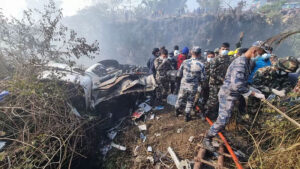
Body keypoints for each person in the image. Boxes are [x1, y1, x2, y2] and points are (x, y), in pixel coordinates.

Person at [203, 46, 267, 152]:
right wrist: (254, 93)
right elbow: (237, 85)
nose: (259, 57)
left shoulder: (246, 62)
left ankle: (223, 133)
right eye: (259, 55)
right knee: (223, 119)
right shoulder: (241, 63)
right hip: (228, 95)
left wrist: (254, 90)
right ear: (254, 51)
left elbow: (243, 82)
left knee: (231, 117)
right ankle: (207, 138)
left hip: (233, 94)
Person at [175, 46, 206, 122]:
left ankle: (176, 111)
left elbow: (179, 74)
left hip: (184, 84)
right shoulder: (201, 65)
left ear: (191, 53)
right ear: (199, 54)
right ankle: (187, 116)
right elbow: (203, 78)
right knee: (190, 100)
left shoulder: (185, 62)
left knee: (180, 97)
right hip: (193, 85)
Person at [204, 43, 232, 120]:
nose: (225, 51)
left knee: (222, 101)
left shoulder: (230, 59)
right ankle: (205, 112)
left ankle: (216, 115)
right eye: (223, 49)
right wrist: (221, 79)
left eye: (226, 49)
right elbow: (212, 72)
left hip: (225, 84)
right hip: (215, 84)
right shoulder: (215, 60)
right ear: (220, 50)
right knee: (213, 101)